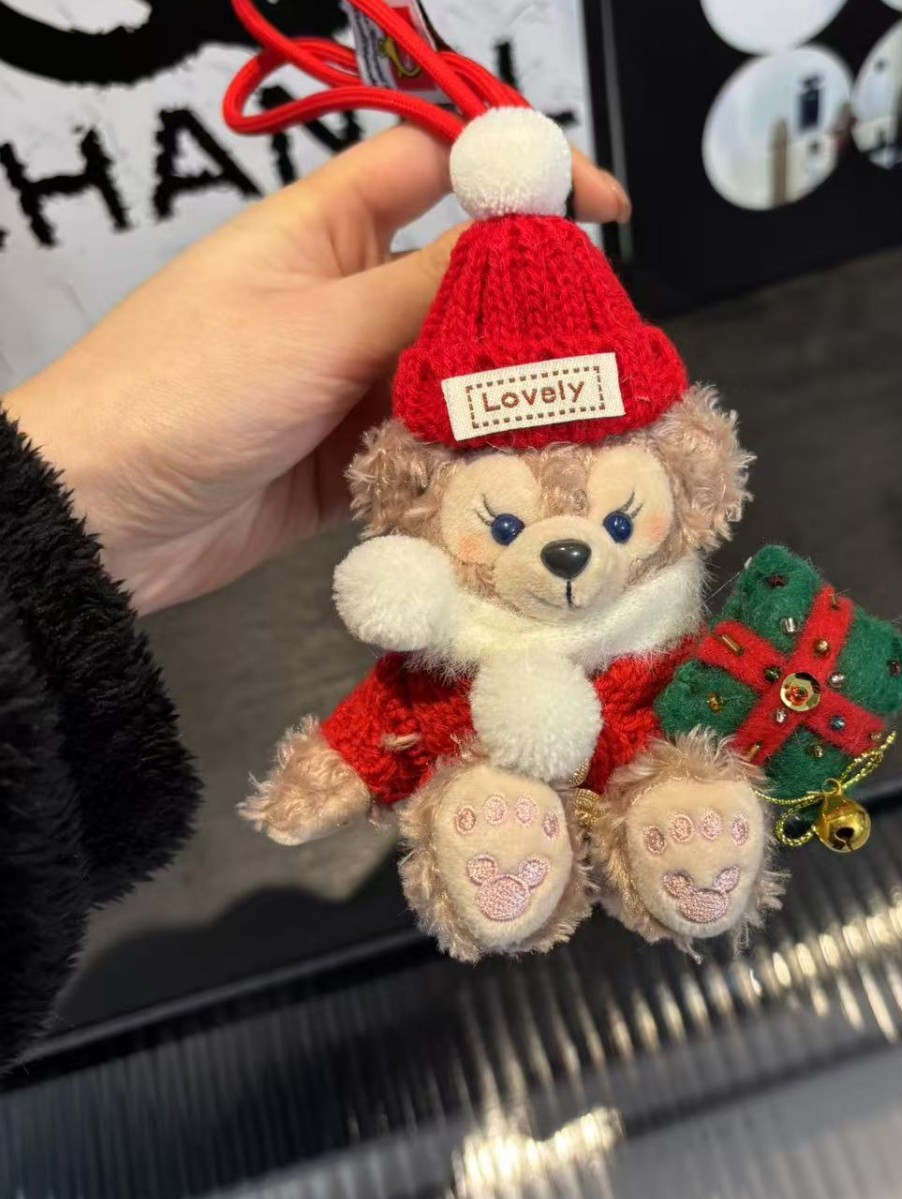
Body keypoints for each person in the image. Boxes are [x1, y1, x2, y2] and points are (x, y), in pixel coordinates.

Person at [0, 123, 630, 1069]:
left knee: (671, 773)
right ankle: (508, 828)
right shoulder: (442, 629)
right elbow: (392, 715)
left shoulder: (656, 610)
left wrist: (53, 531)